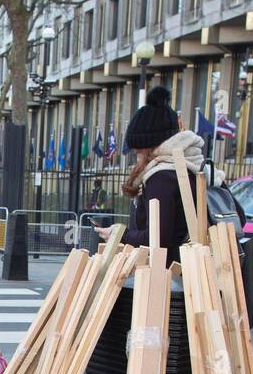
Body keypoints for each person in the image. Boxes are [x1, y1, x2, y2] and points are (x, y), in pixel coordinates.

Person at [95, 86, 240, 257]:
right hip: (213, 273)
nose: (137, 158)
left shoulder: (161, 178)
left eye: (138, 151)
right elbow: (239, 218)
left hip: (176, 276)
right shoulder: (202, 169)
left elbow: (156, 240)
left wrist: (119, 235)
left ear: (147, 146)